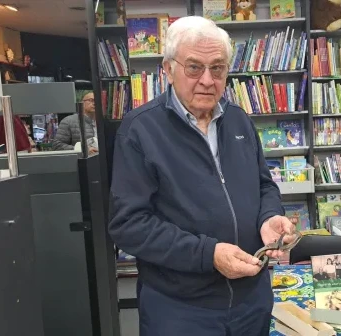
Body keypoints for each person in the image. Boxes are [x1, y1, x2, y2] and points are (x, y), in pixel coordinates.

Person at [108, 16, 296, 336]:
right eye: (194, 67)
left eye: (218, 68)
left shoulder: (239, 121)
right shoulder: (140, 130)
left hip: (252, 300)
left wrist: (269, 216)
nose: (208, 80)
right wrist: (209, 254)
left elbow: (264, 184)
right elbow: (129, 225)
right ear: (168, 69)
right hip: (180, 310)